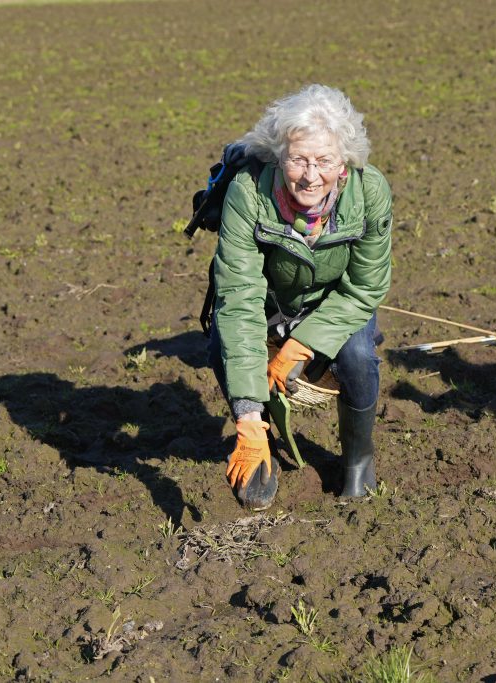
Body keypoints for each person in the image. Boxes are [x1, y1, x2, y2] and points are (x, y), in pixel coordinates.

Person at [206, 84, 393, 511]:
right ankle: (262, 437)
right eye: (298, 159)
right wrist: (247, 415)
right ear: (278, 156)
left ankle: (358, 461)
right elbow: (239, 297)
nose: (310, 175)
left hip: (338, 300)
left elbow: (366, 286)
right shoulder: (248, 192)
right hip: (272, 300)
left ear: (344, 160)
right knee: (222, 342)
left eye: (324, 160)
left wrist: (305, 342)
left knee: (359, 357)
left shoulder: (370, 192)